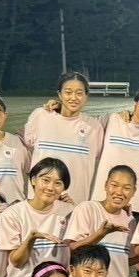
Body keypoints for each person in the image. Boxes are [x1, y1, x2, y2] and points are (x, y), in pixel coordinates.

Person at [23, 71, 105, 204]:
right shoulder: (40, 116)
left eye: (79, 93)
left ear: (86, 96)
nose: (73, 97)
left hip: (75, 203)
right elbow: (27, 143)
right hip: (39, 201)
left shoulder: (94, 127)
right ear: (59, 94)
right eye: (68, 92)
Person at [0, 157, 74, 277]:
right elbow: (17, 262)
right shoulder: (12, 214)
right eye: (45, 180)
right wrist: (31, 239)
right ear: (33, 180)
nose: (50, 187)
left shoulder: (70, 212)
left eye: (58, 183)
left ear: (64, 188)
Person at [93, 82, 139, 211]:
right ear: (136, 101)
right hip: (104, 202)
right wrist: (59, 108)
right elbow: (82, 124)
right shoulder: (112, 120)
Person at [65, 165, 137, 277]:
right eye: (114, 185)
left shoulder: (130, 220)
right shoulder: (87, 209)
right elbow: (71, 250)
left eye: (126, 188)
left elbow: (127, 260)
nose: (119, 192)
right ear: (105, 185)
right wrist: (100, 234)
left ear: (133, 191)